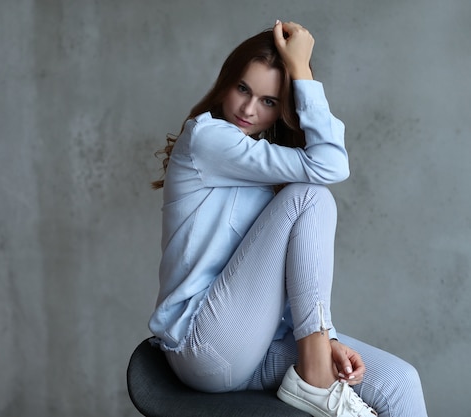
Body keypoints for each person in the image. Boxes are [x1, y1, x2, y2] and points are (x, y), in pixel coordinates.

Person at [148, 20, 428, 417]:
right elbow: (330, 165)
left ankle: (315, 362)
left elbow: (272, 279)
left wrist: (327, 337)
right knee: (310, 196)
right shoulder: (206, 138)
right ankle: (315, 378)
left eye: (268, 101)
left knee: (400, 382)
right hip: (203, 345)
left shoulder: (261, 163)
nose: (248, 109)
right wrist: (301, 70)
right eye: (243, 89)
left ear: (283, 110)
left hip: (258, 345)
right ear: (225, 82)